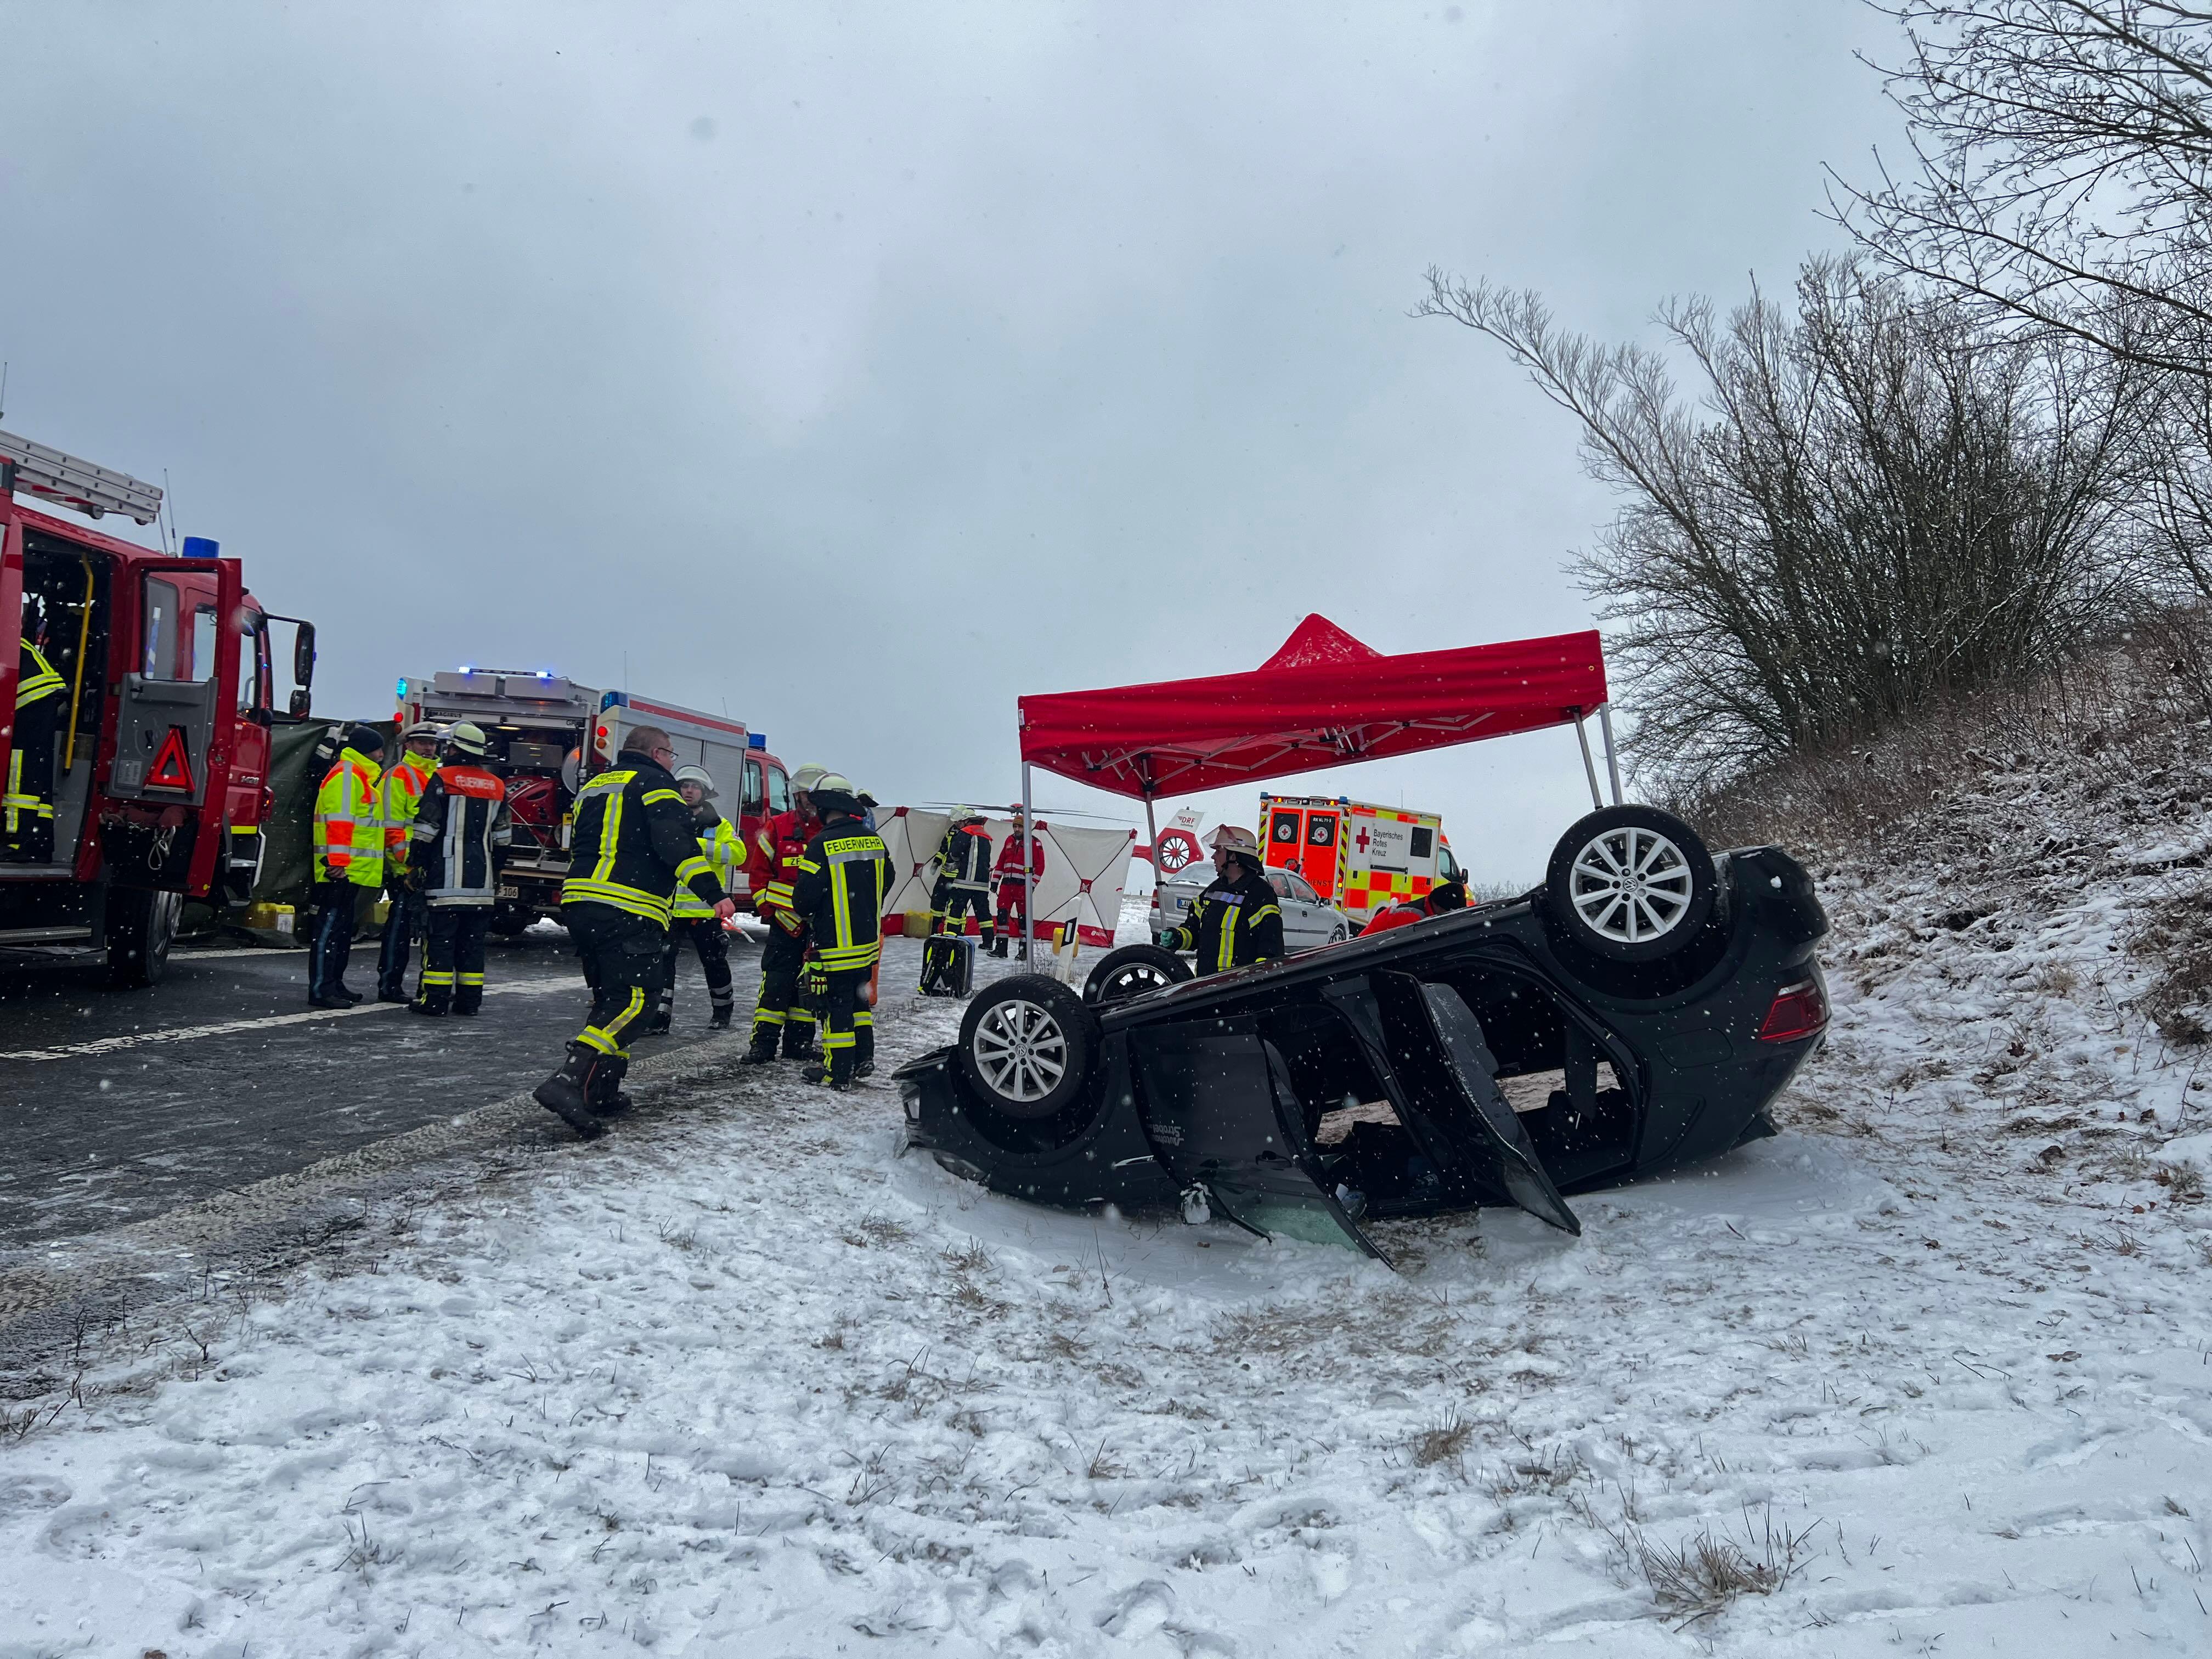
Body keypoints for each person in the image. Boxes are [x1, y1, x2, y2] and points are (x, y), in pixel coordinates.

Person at [533, 725, 733, 1137]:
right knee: (637, 1002)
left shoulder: (596, 785)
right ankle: (568, 1081)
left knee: (610, 999)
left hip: (581, 901)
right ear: (658, 753)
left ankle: (602, 1090)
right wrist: (714, 893)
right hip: (627, 905)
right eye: (671, 754)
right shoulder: (657, 784)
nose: (672, 762)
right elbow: (676, 844)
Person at [788, 774, 890, 1090]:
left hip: (835, 945)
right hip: (867, 943)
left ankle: (837, 1072)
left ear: (824, 808)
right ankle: (863, 1058)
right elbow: (888, 879)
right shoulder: (874, 840)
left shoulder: (821, 844)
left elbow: (804, 900)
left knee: (836, 1007)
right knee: (860, 1003)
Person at [407, 721, 511, 1016]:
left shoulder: (442, 779)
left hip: (445, 882)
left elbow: (426, 829)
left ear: (454, 749)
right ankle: (469, 1002)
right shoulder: (497, 785)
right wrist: (495, 870)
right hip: (482, 885)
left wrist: (415, 865)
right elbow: (503, 838)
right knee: (472, 946)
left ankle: (435, 1001)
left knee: (440, 943)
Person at [646, 764, 746, 1034]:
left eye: (695, 787)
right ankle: (659, 1018)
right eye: (684, 786)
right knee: (662, 964)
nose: (689, 791)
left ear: (705, 793)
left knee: (714, 963)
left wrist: (696, 845)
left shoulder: (719, 824)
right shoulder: (667, 821)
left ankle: (722, 1013)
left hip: (705, 910)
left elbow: (738, 854)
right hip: (669, 910)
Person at [740, 762, 829, 1064]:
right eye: (807, 795)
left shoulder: (831, 831)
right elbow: (759, 876)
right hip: (783, 925)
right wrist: (770, 911)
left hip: (819, 928)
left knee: (809, 987)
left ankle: (799, 1045)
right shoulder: (778, 827)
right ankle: (763, 1046)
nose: (811, 801)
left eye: (816, 795)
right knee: (775, 986)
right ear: (798, 795)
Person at [307, 724, 387, 1007]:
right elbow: (339, 822)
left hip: (348, 870)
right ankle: (321, 989)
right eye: (378, 749)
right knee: (329, 933)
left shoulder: (356, 776)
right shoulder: (348, 776)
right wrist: (338, 863)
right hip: (339, 871)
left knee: (339, 934)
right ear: (367, 750)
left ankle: (333, 985)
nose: (382, 754)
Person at [374, 720, 443, 1002]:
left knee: (432, 933)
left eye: (432, 743)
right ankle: (390, 985)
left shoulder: (439, 775)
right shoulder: (399, 775)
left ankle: (430, 988)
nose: (429, 748)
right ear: (409, 745)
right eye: (423, 743)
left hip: (431, 866)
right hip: (406, 869)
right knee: (399, 929)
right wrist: (406, 866)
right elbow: (392, 826)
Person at [1157, 825, 1283, 975]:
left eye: (1218, 851)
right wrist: (1177, 937)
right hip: (1205, 983)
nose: (1213, 856)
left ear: (1233, 856)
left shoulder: (1260, 895)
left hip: (1238, 985)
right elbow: (1194, 930)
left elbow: (1270, 949)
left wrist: (1257, 978)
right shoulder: (1212, 891)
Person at [5, 630, 66, 863]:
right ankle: (39, 840)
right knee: (34, 771)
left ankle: (16, 840)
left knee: (19, 771)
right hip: (37, 696)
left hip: (30, 699)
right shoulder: (12, 640)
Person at [929, 807, 995, 947]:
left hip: (964, 881)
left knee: (955, 910)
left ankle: (951, 937)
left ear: (966, 821)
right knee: (983, 913)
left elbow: (954, 852)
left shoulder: (966, 832)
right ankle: (988, 941)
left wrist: (956, 863)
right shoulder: (986, 836)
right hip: (982, 883)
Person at [990, 805, 1046, 958]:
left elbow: (1040, 866)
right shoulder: (1009, 841)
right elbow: (1001, 862)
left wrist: (1032, 885)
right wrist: (995, 881)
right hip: (1006, 886)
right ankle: (1001, 949)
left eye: (1020, 827)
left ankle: (1024, 951)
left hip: (1023, 887)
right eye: (1015, 826)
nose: (1017, 829)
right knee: (1002, 917)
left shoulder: (1034, 843)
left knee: (1024, 920)